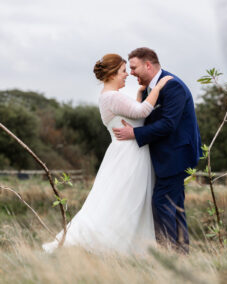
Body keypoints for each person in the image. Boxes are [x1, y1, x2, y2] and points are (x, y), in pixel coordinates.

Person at [42, 53, 172, 255]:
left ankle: (128, 247)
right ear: (111, 74)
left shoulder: (109, 97)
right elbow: (143, 112)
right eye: (122, 71)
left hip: (128, 153)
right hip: (130, 156)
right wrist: (159, 86)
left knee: (127, 201)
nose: (127, 74)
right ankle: (109, 247)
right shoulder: (111, 96)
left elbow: (133, 113)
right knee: (124, 201)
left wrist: (139, 94)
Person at [112, 48, 202, 253]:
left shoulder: (173, 86)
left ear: (148, 65)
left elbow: (168, 124)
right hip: (164, 157)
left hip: (176, 156)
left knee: (162, 203)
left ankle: (169, 255)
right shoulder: (147, 88)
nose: (131, 72)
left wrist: (134, 134)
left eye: (133, 68)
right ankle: (180, 254)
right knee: (175, 206)